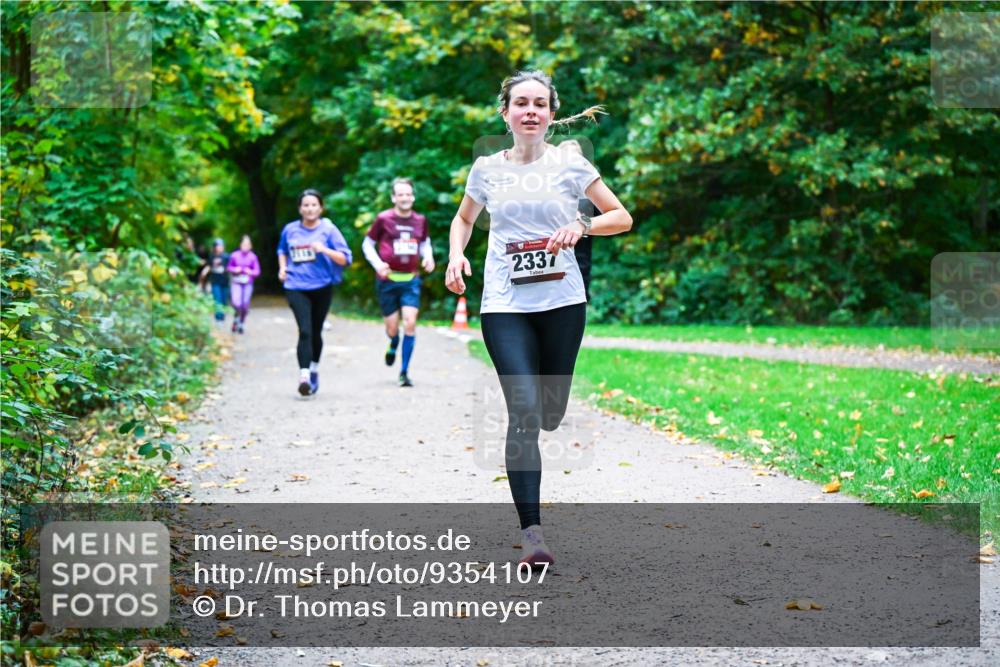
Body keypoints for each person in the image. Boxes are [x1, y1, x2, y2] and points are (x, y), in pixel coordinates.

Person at [445, 70, 632, 566]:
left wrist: (582, 224)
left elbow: (622, 216)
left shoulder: (571, 164)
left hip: (563, 303)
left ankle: (547, 415)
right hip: (504, 304)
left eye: (540, 104)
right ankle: (533, 535)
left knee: (548, 411)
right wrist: (455, 256)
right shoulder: (486, 168)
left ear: (551, 114)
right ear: (505, 113)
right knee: (524, 412)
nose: (531, 110)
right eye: (521, 103)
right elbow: (464, 218)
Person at [277, 189, 353, 396]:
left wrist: (324, 250)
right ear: (300, 209)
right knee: (305, 330)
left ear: (320, 208)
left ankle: (314, 370)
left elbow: (346, 259)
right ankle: (304, 376)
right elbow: (282, 250)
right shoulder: (290, 230)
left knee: (316, 331)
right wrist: (282, 268)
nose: (309, 209)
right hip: (295, 286)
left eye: (313, 205)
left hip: (322, 287)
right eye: (305, 205)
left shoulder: (328, 230)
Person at [361, 177, 435, 387]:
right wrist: (378, 264)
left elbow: (425, 243)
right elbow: (367, 244)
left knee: (410, 322)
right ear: (394, 197)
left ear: (413, 196)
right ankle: (393, 342)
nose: (405, 197)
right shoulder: (383, 219)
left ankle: (404, 373)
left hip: (411, 279)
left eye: (408, 194)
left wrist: (428, 257)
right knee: (393, 329)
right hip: (387, 280)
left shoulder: (420, 220)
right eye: (400, 194)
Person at [559, 140, 596, 299]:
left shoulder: (590, 186)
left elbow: (608, 217)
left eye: (577, 156)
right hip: (553, 250)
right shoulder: (545, 182)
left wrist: (582, 222)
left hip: (581, 251)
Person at [227, 235, 261, 334]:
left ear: (250, 246)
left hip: (247, 283)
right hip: (236, 282)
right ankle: (236, 317)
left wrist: (250, 272)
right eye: (244, 244)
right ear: (240, 245)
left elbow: (257, 271)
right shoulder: (234, 255)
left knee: (245, 305)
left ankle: (241, 322)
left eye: (247, 244)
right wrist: (235, 270)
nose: (245, 246)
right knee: (236, 302)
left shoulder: (253, 257)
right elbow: (229, 267)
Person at [200, 239, 230, 323]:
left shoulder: (227, 257)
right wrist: (204, 272)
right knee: (217, 299)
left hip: (225, 281)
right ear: (215, 247)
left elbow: (231, 266)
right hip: (215, 281)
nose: (220, 248)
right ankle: (218, 317)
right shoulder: (212, 256)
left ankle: (222, 316)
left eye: (221, 246)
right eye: (218, 246)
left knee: (224, 300)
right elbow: (209, 266)